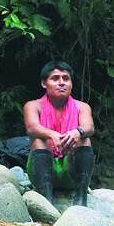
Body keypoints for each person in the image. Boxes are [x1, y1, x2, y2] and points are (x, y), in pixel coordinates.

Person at [22, 60, 94, 206]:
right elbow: (31, 127)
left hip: (70, 171)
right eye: (55, 78)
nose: (61, 83)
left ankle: (81, 198)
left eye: (66, 79)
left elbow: (89, 127)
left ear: (71, 84)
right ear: (44, 83)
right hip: (42, 170)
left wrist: (78, 132)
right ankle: (47, 200)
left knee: (84, 139)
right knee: (38, 140)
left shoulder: (82, 107)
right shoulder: (33, 105)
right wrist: (51, 134)